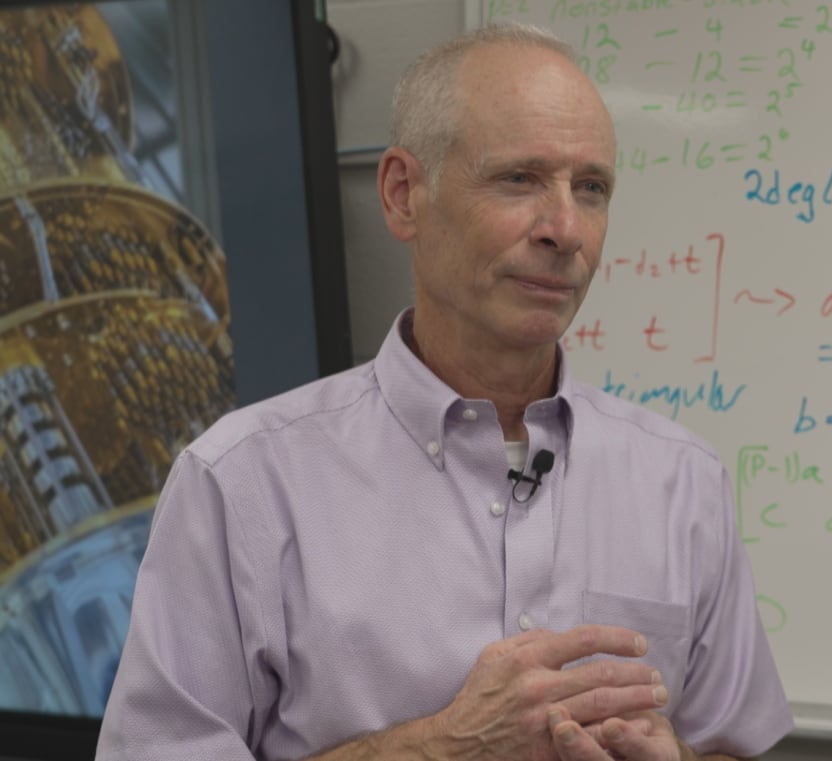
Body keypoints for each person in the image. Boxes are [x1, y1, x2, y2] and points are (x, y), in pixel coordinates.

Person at [96, 22, 792, 761]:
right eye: (519, 178)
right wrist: (443, 746)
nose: (565, 228)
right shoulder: (242, 485)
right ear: (402, 194)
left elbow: (732, 743)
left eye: (591, 188)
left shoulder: (683, 483)